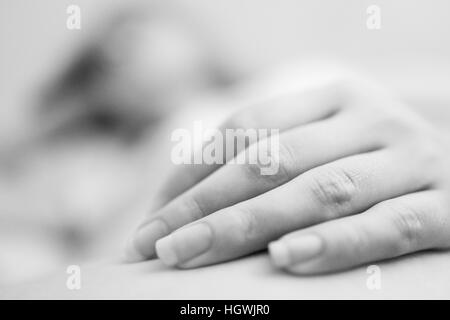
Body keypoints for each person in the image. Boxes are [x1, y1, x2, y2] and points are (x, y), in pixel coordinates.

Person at [124, 68, 450, 275]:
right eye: (94, 64)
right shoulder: (129, 157)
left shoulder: (300, 77)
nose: (116, 55)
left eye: (133, 30)